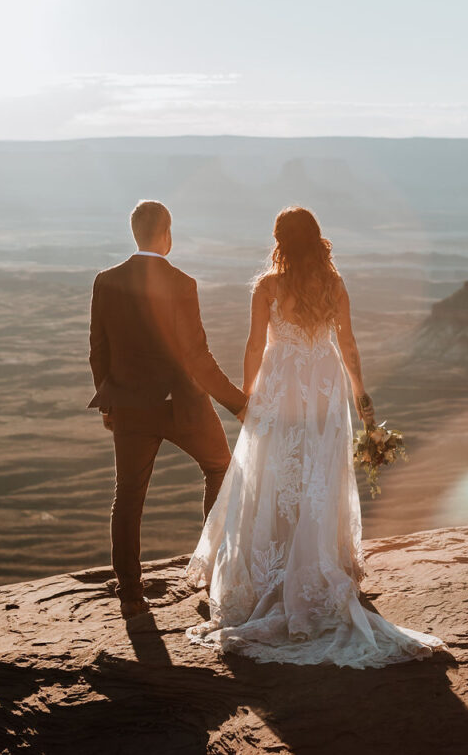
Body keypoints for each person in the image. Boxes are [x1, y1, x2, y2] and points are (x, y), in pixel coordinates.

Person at [185, 206, 450, 667]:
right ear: (317, 238)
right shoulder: (334, 283)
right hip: (324, 386)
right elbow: (348, 344)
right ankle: (314, 566)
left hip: (281, 383)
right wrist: (362, 395)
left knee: (273, 474)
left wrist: (249, 399)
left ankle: (274, 569)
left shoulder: (267, 286)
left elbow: (253, 345)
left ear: (280, 240)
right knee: (316, 473)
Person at [88, 200, 247, 619]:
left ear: (135, 233)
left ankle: (129, 592)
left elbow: (98, 350)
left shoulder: (106, 281)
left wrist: (108, 402)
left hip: (130, 409)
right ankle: (212, 570)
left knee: (128, 497)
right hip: (184, 408)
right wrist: (238, 404)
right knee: (220, 468)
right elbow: (197, 357)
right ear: (167, 234)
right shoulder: (182, 283)